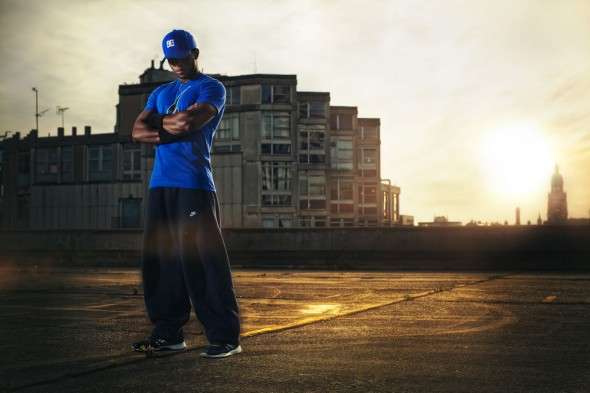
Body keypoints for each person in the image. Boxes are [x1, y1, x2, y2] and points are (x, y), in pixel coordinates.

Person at [131, 29, 241, 358]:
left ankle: (225, 337)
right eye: (172, 60)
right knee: (161, 260)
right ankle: (168, 333)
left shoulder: (210, 87)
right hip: (160, 185)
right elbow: (138, 131)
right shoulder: (161, 91)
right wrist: (172, 123)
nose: (177, 65)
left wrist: (160, 125)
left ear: (195, 53)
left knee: (203, 260)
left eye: (182, 58)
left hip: (193, 184)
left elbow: (188, 124)